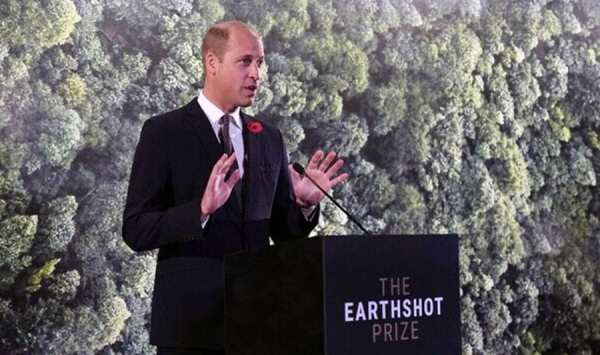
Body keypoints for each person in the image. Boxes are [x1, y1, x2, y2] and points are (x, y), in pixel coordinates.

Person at [122, 20, 348, 354]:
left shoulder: (268, 137)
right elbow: (136, 230)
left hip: (258, 325)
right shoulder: (164, 132)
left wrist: (303, 205)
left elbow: (284, 233)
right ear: (212, 62)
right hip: (191, 330)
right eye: (245, 61)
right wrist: (199, 211)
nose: (256, 74)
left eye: (260, 63)